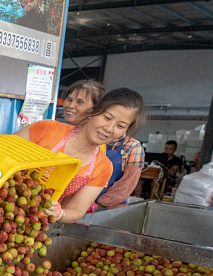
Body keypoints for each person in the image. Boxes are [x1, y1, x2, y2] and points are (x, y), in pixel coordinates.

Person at [15, 88, 147, 223]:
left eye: (120, 126)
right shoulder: (47, 129)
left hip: (31, 224)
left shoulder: (103, 167)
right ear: (93, 113)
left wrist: (60, 214)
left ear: (125, 132)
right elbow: (2, 153)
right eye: (107, 118)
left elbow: (77, 210)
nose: (109, 128)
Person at [97, 135, 145, 207]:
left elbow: (128, 182)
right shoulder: (93, 139)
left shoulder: (133, 145)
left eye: (120, 125)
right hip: (80, 200)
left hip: (110, 204)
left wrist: (102, 203)